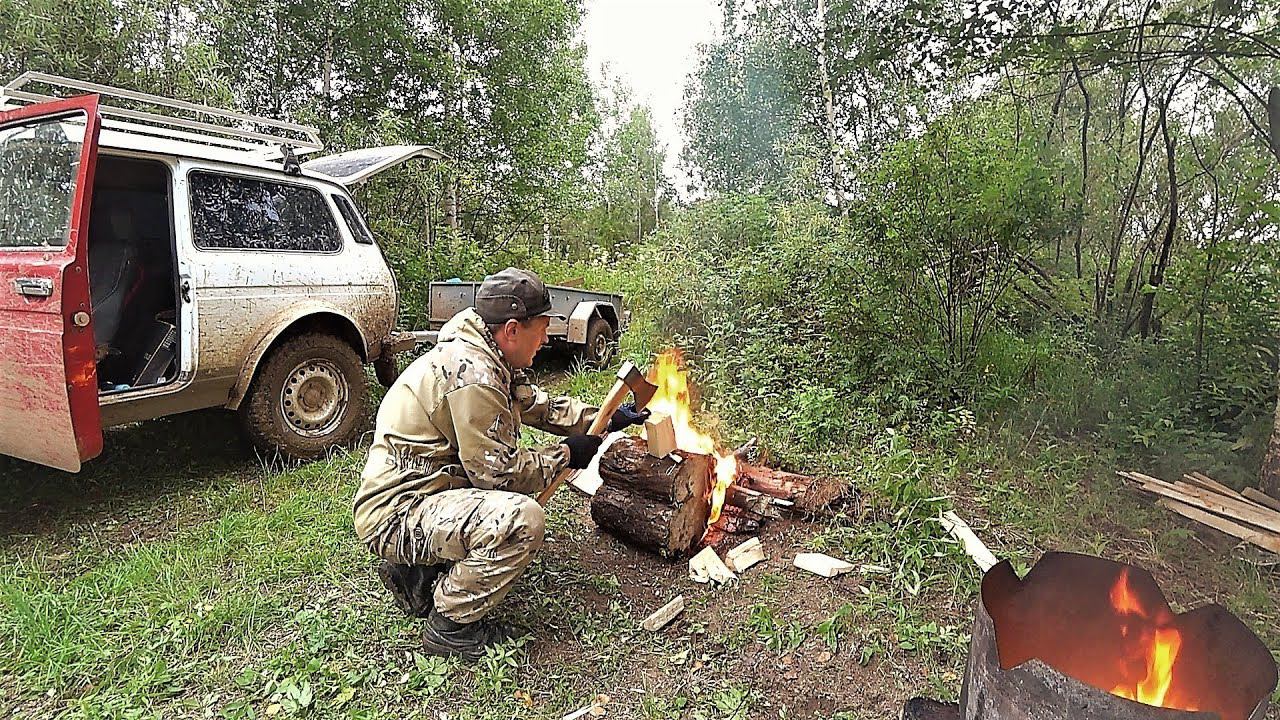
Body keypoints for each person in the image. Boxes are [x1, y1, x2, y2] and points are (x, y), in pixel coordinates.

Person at [353, 267, 648, 659]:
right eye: (541, 329)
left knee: (501, 508)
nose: (544, 340)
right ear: (512, 329)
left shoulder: (484, 353)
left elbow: (537, 406)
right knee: (521, 520)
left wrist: (606, 417)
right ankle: (450, 624)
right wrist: (565, 455)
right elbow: (500, 476)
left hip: (423, 493)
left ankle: (414, 572)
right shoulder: (473, 375)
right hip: (397, 514)